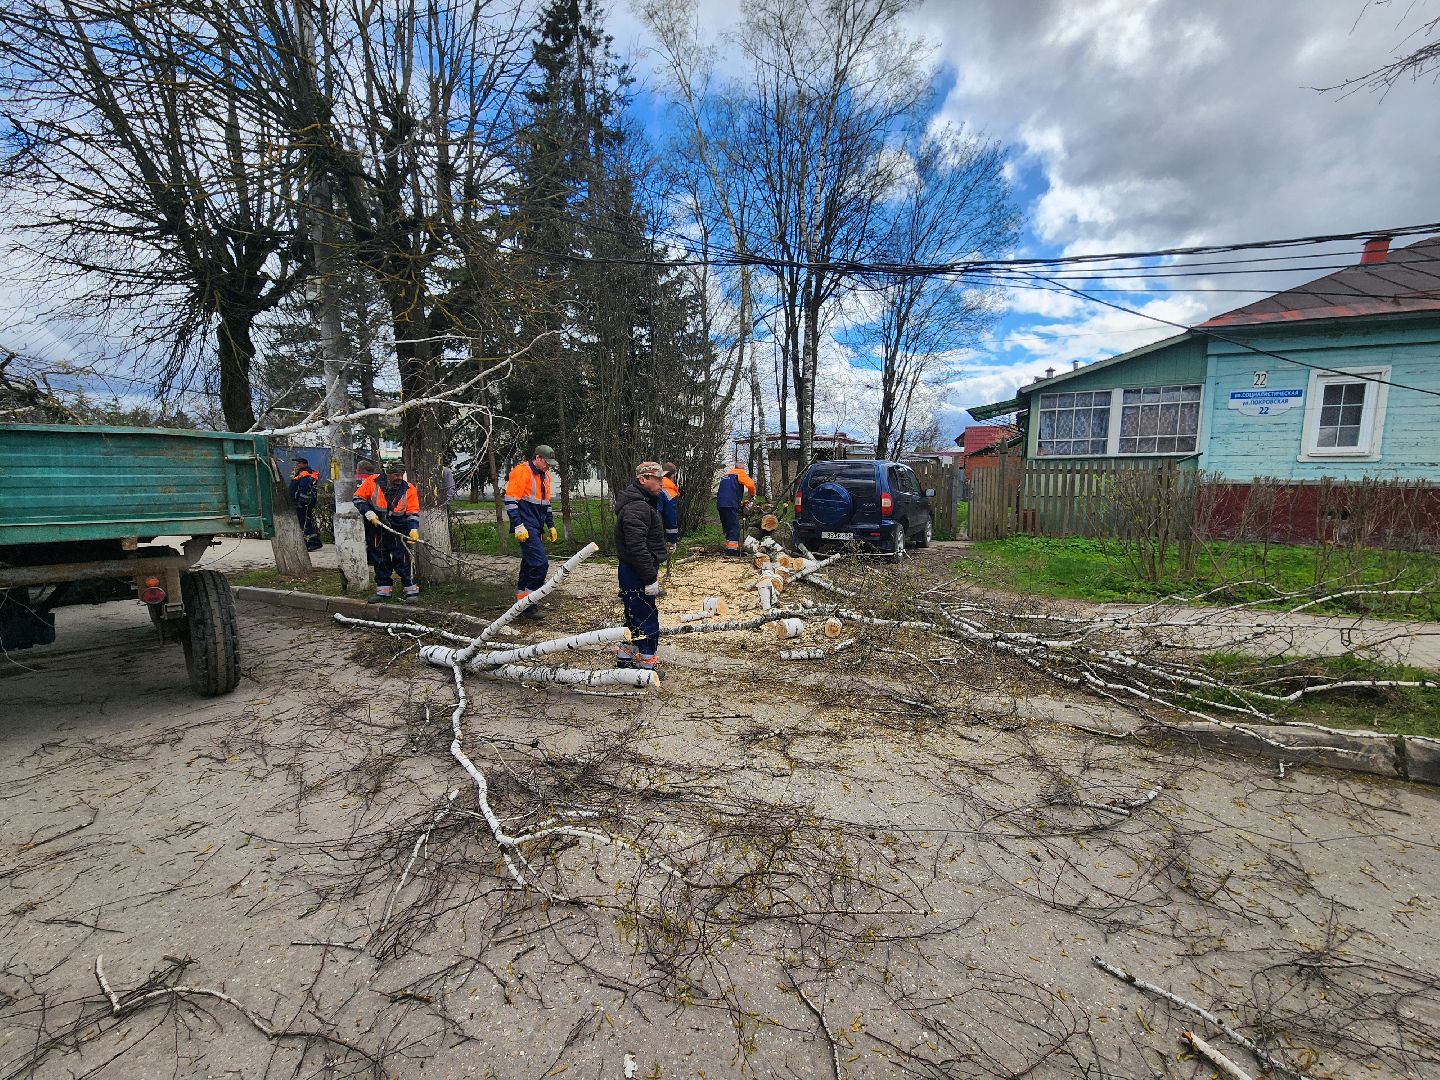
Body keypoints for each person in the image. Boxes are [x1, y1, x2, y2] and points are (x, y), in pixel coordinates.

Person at [614, 461, 669, 677]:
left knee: (633, 615)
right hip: (637, 571)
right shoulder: (637, 506)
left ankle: (625, 656)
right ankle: (647, 666)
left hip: (633, 569)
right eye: (657, 479)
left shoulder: (642, 502)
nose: (661, 483)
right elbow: (636, 546)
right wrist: (649, 576)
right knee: (646, 616)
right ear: (643, 480)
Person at [503, 444, 559, 619]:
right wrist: (518, 525)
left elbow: (546, 504)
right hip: (526, 526)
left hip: (537, 526)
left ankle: (521, 601)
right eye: (547, 462)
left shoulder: (545, 477)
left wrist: (551, 525)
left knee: (528, 564)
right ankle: (530, 603)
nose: (549, 466)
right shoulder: (522, 472)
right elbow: (511, 500)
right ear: (538, 458)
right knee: (540, 563)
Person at [353, 459, 421, 602]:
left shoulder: (409, 489)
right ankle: (383, 591)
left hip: (398, 529)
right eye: (395, 474)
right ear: (387, 473)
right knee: (380, 559)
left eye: (401, 474)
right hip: (377, 528)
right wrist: (368, 513)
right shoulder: (372, 482)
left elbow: (412, 513)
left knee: (403, 559)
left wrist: (413, 529)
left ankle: (410, 589)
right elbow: (358, 498)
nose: (399, 478)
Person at [715, 462, 756, 557]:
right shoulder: (740, 473)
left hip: (720, 504)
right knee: (734, 527)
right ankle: (732, 552)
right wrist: (753, 495)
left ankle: (728, 549)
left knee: (728, 527)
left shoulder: (726, 475)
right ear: (742, 469)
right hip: (730, 504)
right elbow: (751, 485)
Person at [288, 457, 322, 551]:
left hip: (305, 503)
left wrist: (301, 502)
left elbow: (304, 489)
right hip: (305, 502)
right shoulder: (303, 473)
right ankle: (309, 542)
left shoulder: (305, 473)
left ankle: (314, 542)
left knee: (305, 523)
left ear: (304, 464)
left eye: (298, 463)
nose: (296, 465)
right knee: (304, 522)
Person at [354, 458, 381, 566]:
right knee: (376, 537)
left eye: (356, 469)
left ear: (360, 469)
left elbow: (357, 496)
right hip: (378, 510)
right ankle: (373, 557)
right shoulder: (378, 479)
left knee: (371, 537)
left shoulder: (361, 479)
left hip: (368, 511)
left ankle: (371, 558)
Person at [658, 461, 681, 545]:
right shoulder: (670, 490)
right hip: (657, 527)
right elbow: (670, 516)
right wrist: (672, 540)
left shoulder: (652, 483)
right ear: (673, 475)